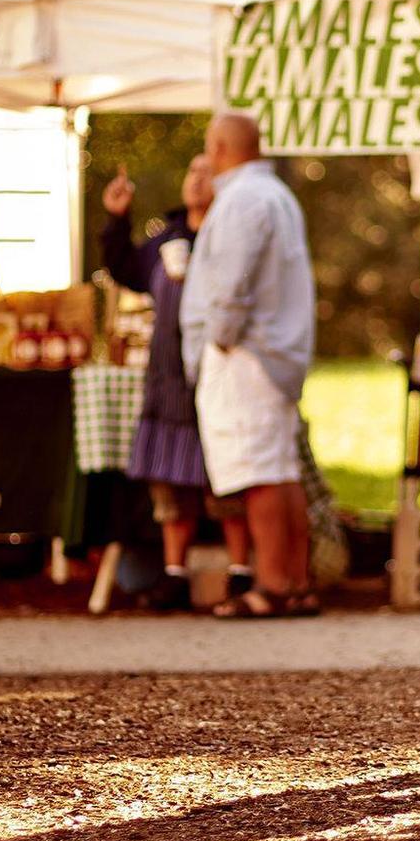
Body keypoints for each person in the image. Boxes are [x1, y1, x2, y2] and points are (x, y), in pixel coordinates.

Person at [179, 113, 319, 618]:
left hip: (247, 352)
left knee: (259, 472)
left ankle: (272, 585)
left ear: (218, 147)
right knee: (279, 469)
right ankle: (296, 582)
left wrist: (217, 339)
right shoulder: (275, 194)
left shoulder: (242, 199)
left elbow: (231, 281)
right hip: (272, 349)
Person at [100, 155, 255, 612]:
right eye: (191, 171)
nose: (197, 179)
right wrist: (116, 217)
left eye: (208, 173)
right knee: (170, 483)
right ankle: (173, 576)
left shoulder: (229, 237)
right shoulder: (166, 237)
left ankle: (242, 574)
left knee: (226, 482)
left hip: (216, 378)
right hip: (167, 380)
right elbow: (124, 270)